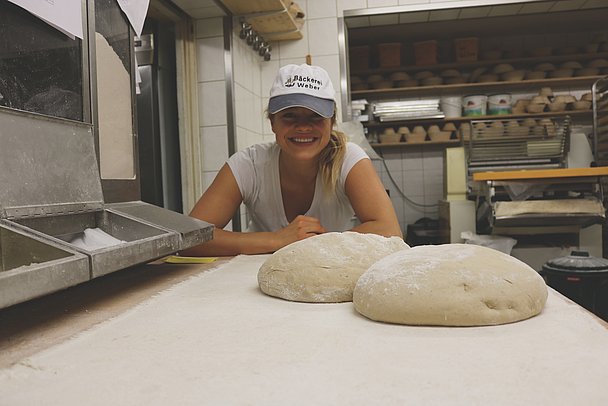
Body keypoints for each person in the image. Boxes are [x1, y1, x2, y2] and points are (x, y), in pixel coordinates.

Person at [184, 64, 402, 256]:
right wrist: (277, 240)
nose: (303, 126)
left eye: (315, 116)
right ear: (272, 123)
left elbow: (389, 230)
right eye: (289, 115)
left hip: (327, 269)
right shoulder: (248, 164)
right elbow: (191, 239)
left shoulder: (348, 159)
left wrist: (317, 244)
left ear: (331, 122)